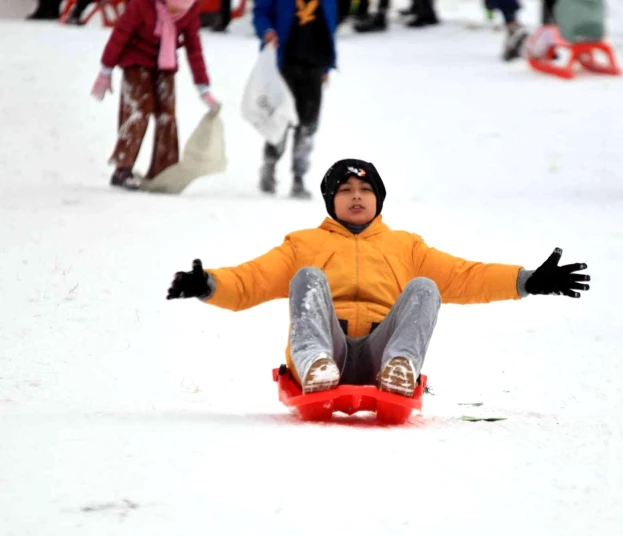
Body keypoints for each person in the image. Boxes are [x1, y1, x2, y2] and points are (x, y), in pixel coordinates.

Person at [166, 158, 591, 397]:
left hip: (379, 351)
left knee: (426, 286)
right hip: (326, 349)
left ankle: (401, 367)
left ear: (378, 200)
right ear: (332, 200)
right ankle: (314, 363)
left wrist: (527, 280)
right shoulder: (303, 243)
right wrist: (208, 285)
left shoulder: (406, 246)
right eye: (346, 190)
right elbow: (250, 281)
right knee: (308, 277)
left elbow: (464, 277)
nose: (356, 197)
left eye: (365, 191)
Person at [90, 0, 219, 190]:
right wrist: (106, 69)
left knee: (167, 114)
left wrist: (203, 87)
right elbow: (121, 34)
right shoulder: (142, 5)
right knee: (138, 111)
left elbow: (194, 47)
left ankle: (164, 171)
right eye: (173, 8)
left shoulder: (189, 11)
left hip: (165, 63)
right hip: (136, 60)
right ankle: (122, 169)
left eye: (181, 9)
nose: (177, 12)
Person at [253, 0, 338, 199]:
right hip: (283, 63)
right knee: (279, 121)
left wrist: (326, 67)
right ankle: (270, 166)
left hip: (314, 64)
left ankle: (299, 177)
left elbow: (329, 24)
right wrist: (266, 31)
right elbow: (260, 13)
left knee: (308, 125)